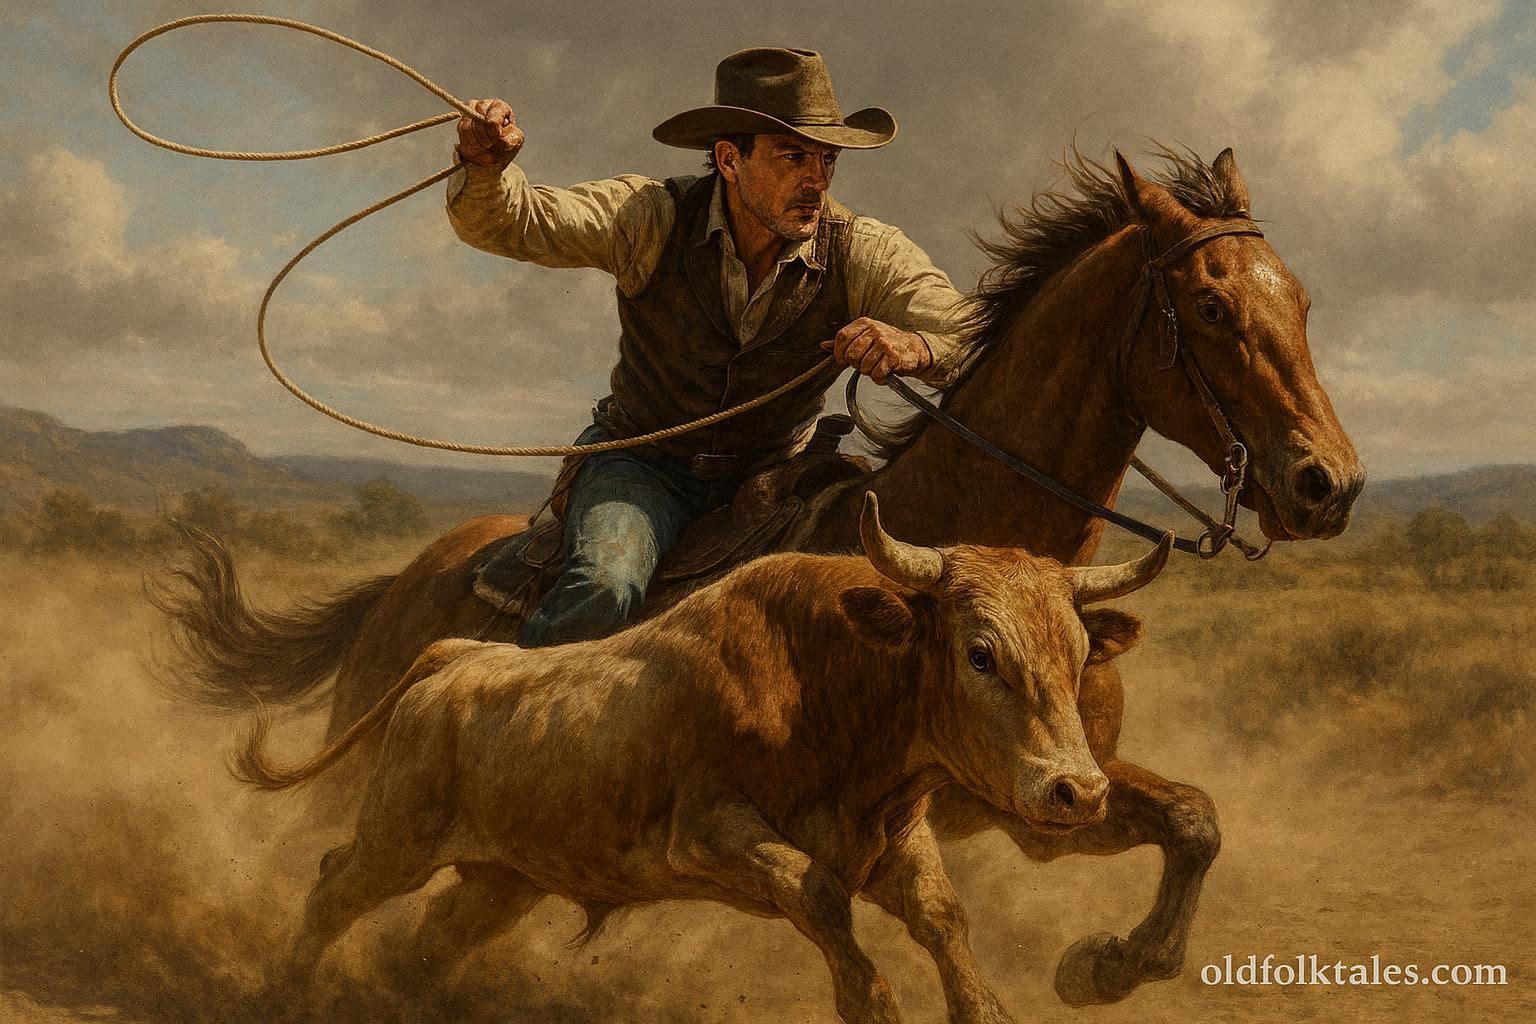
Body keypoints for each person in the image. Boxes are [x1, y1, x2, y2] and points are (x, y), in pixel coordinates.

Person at [448, 46, 972, 647]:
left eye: (827, 159)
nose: (817, 181)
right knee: (605, 586)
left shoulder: (864, 251)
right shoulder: (651, 217)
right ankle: (529, 704)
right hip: (644, 465)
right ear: (729, 159)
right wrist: (484, 168)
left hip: (777, 481)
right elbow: (517, 220)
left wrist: (919, 347)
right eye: (793, 156)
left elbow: (970, 333)